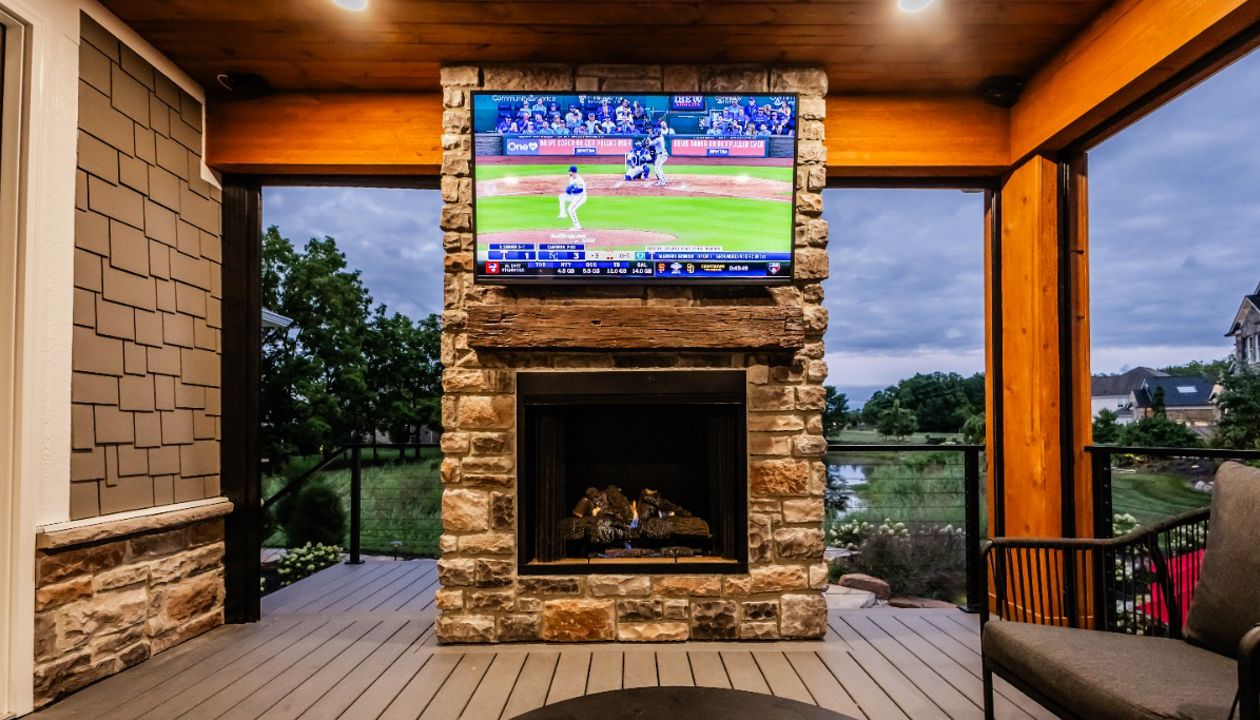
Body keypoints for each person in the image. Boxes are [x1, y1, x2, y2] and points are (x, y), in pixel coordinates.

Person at [557, 165, 586, 230]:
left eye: (570, 171)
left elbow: (580, 190)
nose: (569, 173)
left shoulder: (579, 180)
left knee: (571, 209)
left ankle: (577, 226)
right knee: (562, 197)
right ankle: (563, 214)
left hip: (580, 197)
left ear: (573, 172)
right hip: (574, 196)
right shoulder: (571, 178)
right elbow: (569, 188)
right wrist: (568, 190)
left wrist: (572, 190)